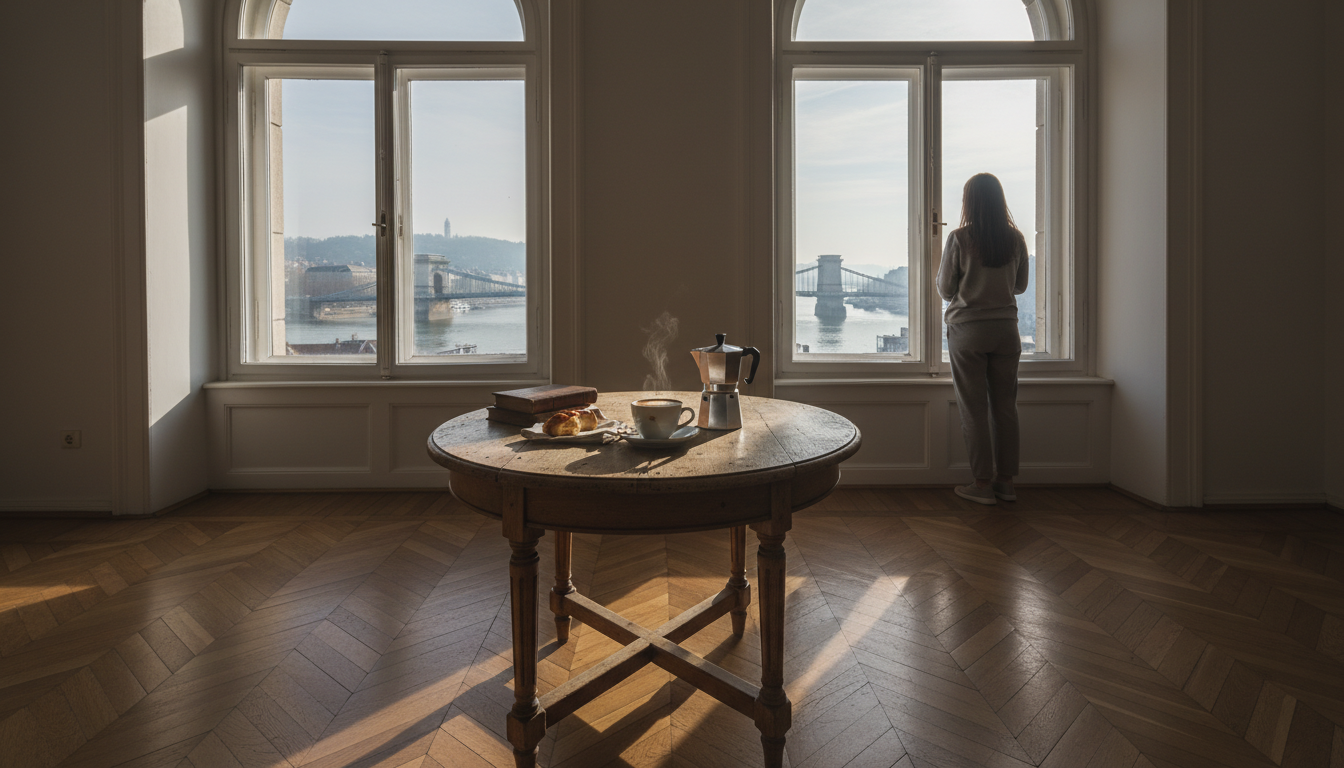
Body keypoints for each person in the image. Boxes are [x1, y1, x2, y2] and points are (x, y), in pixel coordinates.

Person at [936, 173, 1030, 506]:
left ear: (969, 202)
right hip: (1007, 331)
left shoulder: (960, 238)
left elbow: (946, 289)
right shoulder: (1016, 239)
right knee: (1006, 408)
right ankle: (1006, 483)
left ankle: (981, 484)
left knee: (974, 410)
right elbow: (1020, 287)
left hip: (968, 332)